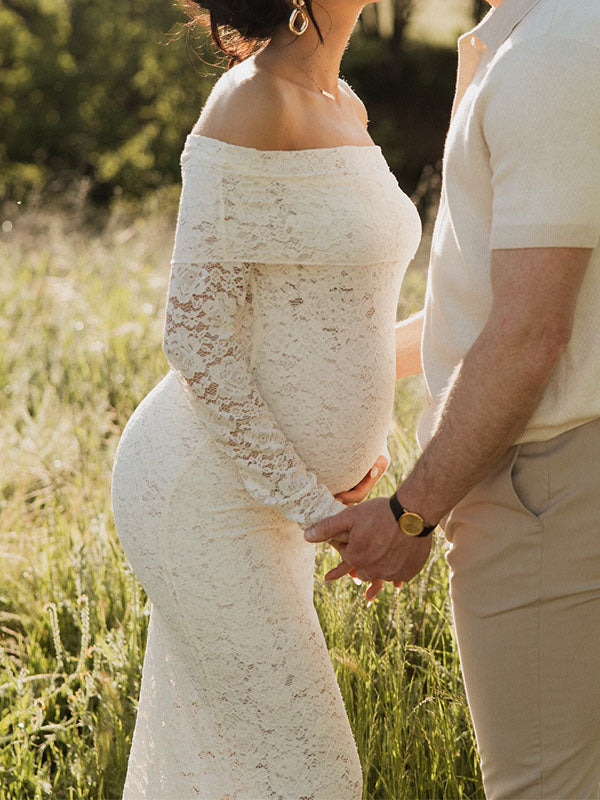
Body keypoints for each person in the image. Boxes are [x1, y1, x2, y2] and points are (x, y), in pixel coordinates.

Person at [110, 0, 424, 795]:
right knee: (309, 775)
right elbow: (195, 340)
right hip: (205, 494)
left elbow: (335, 327)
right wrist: (315, 502)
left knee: (227, 770)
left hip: (275, 505)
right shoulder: (252, 100)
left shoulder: (343, 102)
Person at [306, 0, 600, 797]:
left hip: (545, 485)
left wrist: (411, 513)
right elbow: (484, 311)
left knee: (542, 785)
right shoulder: (531, 41)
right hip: (553, 477)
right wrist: (306, 365)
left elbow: (530, 333)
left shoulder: (558, 50)